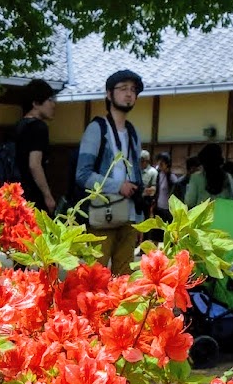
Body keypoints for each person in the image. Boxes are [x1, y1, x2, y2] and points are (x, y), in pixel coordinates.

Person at [75, 69, 144, 273]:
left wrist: (140, 220)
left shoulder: (133, 132)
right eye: (123, 88)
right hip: (102, 213)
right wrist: (118, 186)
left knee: (125, 275)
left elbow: (137, 177)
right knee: (95, 274)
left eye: (133, 90)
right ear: (108, 93)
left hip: (129, 215)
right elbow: (82, 175)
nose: (129, 94)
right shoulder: (97, 128)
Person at [15, 80, 59, 216]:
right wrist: (47, 195)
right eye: (50, 100)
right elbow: (34, 164)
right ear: (35, 103)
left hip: (15, 193)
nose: (53, 104)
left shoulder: (18, 127)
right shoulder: (39, 127)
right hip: (32, 196)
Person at [184, 143, 233, 208]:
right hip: (223, 216)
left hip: (203, 217)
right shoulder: (230, 178)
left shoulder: (196, 178)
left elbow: (189, 202)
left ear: (203, 162)